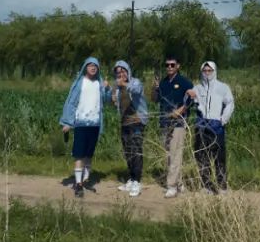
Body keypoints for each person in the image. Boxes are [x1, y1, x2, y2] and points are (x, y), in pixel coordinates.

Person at [59, 56, 107, 198]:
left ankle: (86, 180)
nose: (93, 67)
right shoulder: (80, 82)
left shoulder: (99, 83)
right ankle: (78, 184)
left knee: (89, 155)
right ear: (85, 67)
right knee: (79, 155)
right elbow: (71, 103)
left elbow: (106, 100)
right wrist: (67, 122)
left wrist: (107, 88)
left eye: (95, 66)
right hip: (81, 123)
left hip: (95, 124)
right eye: (90, 65)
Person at [188, 60, 235, 193]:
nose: (207, 73)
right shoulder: (197, 88)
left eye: (210, 71)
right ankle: (206, 185)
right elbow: (191, 103)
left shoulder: (223, 87)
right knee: (202, 156)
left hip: (216, 126)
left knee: (219, 157)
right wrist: (191, 96)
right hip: (201, 125)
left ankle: (221, 186)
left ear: (214, 72)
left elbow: (230, 103)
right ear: (201, 72)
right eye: (205, 71)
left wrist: (222, 119)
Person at [152, 54, 193, 198]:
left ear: (178, 66)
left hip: (178, 123)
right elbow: (155, 100)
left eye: (172, 65)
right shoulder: (162, 82)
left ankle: (172, 186)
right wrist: (155, 88)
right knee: (169, 154)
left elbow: (192, 98)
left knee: (176, 154)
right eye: (167, 65)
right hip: (164, 122)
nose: (169, 67)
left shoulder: (184, 82)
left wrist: (182, 109)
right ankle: (179, 182)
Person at [108, 60, 148, 197]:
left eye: (123, 71)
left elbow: (136, 90)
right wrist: (111, 95)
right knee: (128, 151)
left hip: (137, 121)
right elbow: (113, 102)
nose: (120, 74)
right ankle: (131, 178)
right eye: (118, 72)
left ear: (128, 71)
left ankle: (137, 181)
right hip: (124, 121)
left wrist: (123, 84)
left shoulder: (135, 82)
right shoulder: (117, 87)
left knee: (136, 150)